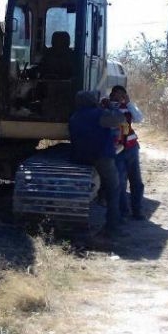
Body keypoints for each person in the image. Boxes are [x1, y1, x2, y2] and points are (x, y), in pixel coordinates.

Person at [69, 90, 126, 236]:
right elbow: (119, 119)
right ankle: (112, 225)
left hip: (81, 157)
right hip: (102, 156)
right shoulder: (98, 114)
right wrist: (110, 107)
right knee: (114, 187)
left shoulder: (74, 117)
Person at [106, 85, 146, 220]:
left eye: (122, 95)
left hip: (131, 148)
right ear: (111, 96)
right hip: (117, 151)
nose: (119, 98)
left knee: (136, 182)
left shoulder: (128, 108)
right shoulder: (106, 108)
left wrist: (129, 103)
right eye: (116, 95)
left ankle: (137, 211)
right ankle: (123, 212)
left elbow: (139, 118)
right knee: (121, 183)